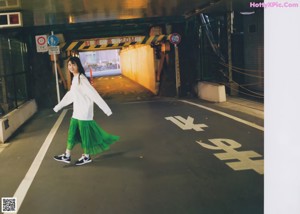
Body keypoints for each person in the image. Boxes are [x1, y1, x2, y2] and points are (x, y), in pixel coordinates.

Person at [53, 56, 119, 166]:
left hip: (84, 113)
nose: (71, 67)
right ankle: (67, 155)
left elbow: (94, 95)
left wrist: (107, 110)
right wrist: (58, 106)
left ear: (78, 65)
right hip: (77, 112)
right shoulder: (75, 78)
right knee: (71, 133)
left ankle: (86, 156)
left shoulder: (82, 79)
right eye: (69, 65)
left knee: (85, 136)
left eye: (73, 64)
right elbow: (71, 95)